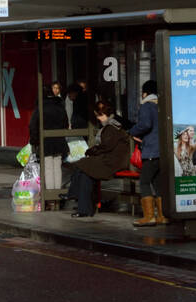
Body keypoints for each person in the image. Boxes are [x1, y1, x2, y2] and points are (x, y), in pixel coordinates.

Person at [66, 102, 131, 218]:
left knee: (83, 165)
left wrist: (90, 151)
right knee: (85, 171)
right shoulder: (111, 126)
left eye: (99, 115)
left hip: (112, 162)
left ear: (105, 114)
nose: (98, 118)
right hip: (110, 159)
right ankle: (83, 208)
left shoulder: (112, 127)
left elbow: (106, 146)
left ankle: (74, 196)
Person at [130, 79, 168, 226]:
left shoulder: (147, 106)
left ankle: (149, 216)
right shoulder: (162, 105)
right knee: (158, 183)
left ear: (145, 93)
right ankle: (163, 216)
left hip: (151, 150)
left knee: (144, 182)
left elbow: (145, 124)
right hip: (162, 151)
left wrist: (132, 131)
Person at [29, 81, 71, 196]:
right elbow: (65, 123)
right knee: (57, 166)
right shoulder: (60, 105)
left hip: (45, 141)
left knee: (47, 167)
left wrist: (34, 141)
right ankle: (57, 194)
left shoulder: (40, 107)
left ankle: (50, 196)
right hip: (59, 140)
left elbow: (33, 125)